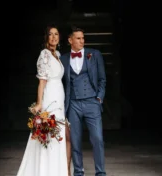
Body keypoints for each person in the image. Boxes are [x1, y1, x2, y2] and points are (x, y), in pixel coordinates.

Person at [15, 25, 72, 176]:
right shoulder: (45, 55)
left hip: (59, 99)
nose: (54, 37)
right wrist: (40, 103)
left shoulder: (57, 55)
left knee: (59, 135)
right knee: (49, 134)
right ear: (46, 38)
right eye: (50, 34)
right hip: (50, 99)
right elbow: (42, 82)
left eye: (56, 34)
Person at [60, 26, 107, 176]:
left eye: (83, 38)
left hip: (92, 102)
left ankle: (100, 173)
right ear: (70, 40)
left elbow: (102, 79)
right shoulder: (63, 59)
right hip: (73, 104)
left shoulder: (95, 54)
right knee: (75, 141)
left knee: (97, 139)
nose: (82, 41)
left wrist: (99, 98)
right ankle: (78, 172)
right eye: (78, 38)